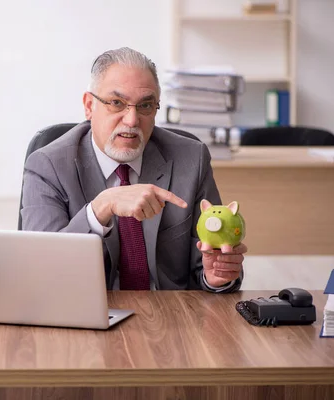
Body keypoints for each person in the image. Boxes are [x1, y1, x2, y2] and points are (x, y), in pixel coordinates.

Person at [20, 47, 246, 292]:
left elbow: (212, 259)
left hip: (170, 317)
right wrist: (100, 208)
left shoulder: (191, 159)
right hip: (83, 314)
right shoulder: (47, 165)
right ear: (88, 105)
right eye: (117, 103)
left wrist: (216, 276)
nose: (131, 120)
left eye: (145, 106)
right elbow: (42, 269)